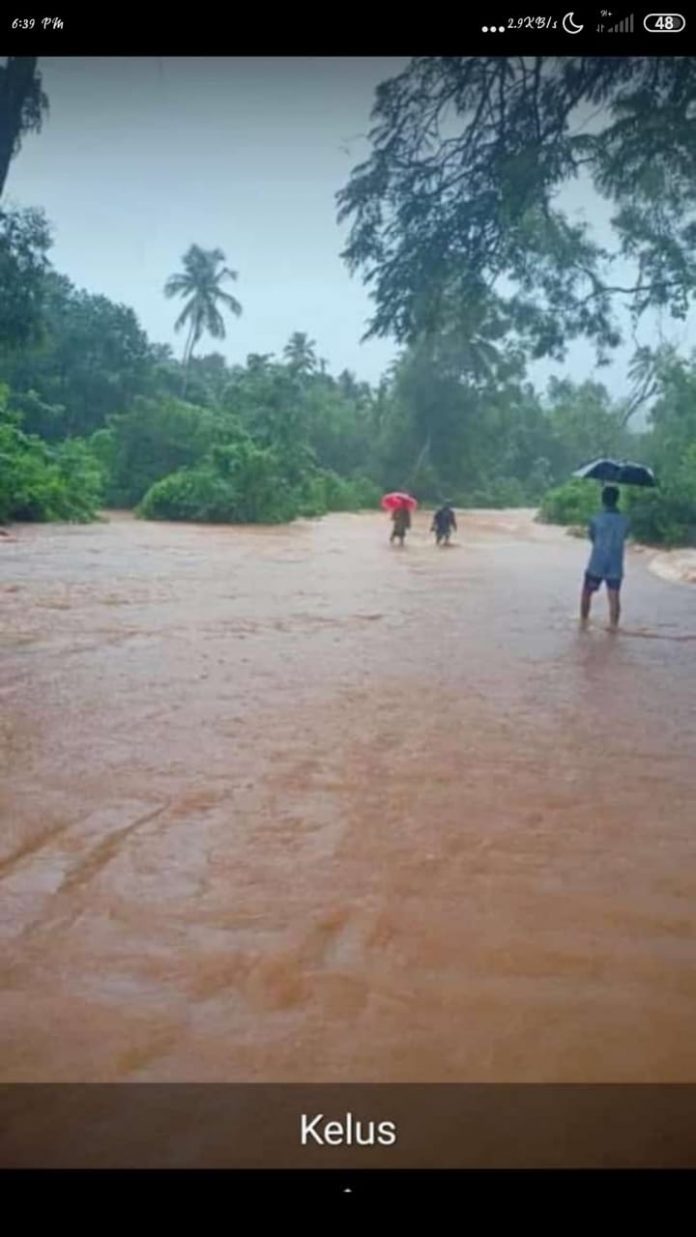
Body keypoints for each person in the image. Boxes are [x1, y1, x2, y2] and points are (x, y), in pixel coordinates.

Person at [580, 485, 630, 630]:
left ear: (603, 500)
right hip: (616, 563)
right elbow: (624, 537)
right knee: (614, 597)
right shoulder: (625, 520)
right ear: (617, 500)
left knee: (587, 593)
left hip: (597, 561)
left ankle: (583, 623)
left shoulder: (595, 519)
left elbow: (592, 537)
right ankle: (614, 627)